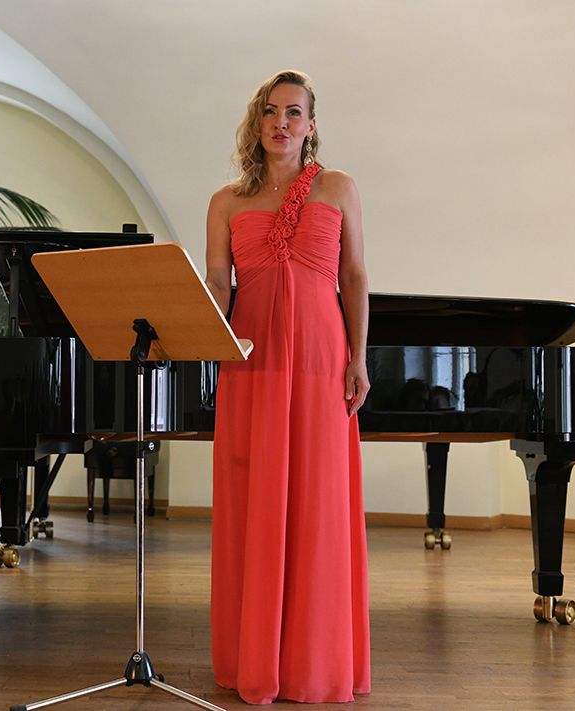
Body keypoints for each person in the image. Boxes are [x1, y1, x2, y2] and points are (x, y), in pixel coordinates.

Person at [205, 70, 371, 704]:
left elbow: (354, 277)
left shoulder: (339, 187)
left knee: (317, 501)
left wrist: (359, 358)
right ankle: (256, 658)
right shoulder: (226, 201)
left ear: (311, 124)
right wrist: (199, 336)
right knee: (255, 499)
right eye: (271, 112)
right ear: (257, 123)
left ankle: (314, 663)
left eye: (294, 112)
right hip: (251, 361)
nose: (281, 122)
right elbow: (218, 286)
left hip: (323, 359)